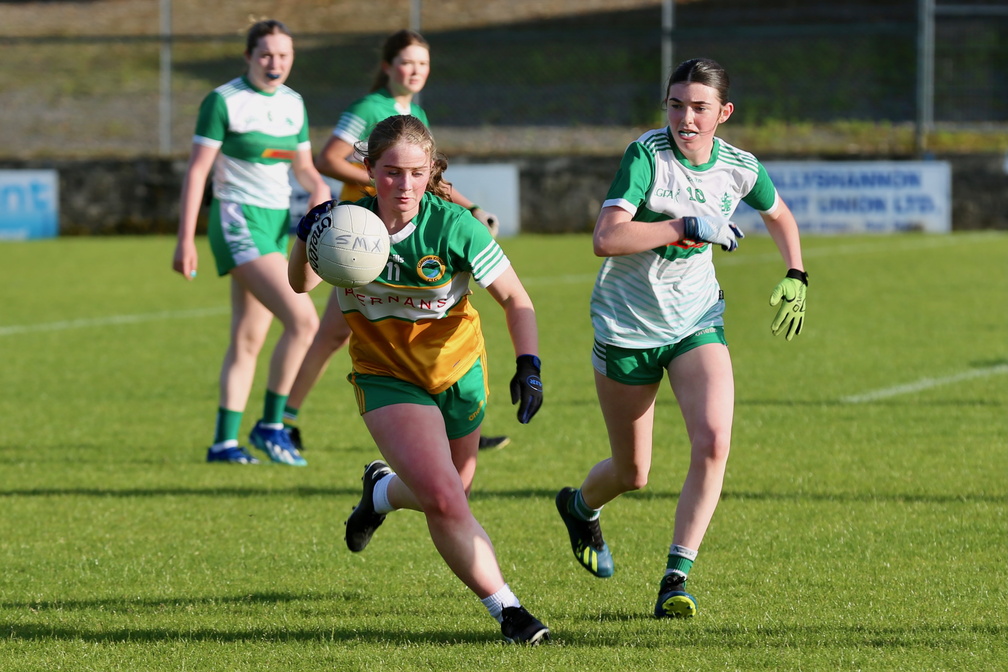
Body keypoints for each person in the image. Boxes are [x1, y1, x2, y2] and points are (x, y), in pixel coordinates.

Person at [555, 57, 808, 619]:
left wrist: (796, 273)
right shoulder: (647, 156)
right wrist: (684, 225)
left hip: (696, 320)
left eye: (698, 107)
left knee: (714, 440)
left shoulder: (740, 167)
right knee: (632, 473)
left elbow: (781, 215)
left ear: (724, 112)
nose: (685, 118)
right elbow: (606, 237)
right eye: (676, 105)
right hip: (626, 325)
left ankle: (676, 576)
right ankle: (579, 507)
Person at [288, 115, 549, 645]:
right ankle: (510, 612)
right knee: (447, 501)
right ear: (369, 170)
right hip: (386, 378)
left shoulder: (455, 226)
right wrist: (306, 234)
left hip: (458, 374)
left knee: (454, 490)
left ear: (431, 171)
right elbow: (300, 283)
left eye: (414, 173)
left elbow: (517, 300)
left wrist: (530, 364)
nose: (402, 186)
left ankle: (380, 492)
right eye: (389, 172)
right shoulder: (345, 225)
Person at [282, 29, 510, 453]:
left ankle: (454, 422)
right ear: (387, 66)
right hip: (358, 241)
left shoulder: (413, 112)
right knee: (335, 334)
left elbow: (425, 177)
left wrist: (470, 207)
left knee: (375, 328)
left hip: (392, 240)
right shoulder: (371, 107)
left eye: (423, 63)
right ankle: (283, 420)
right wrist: (379, 185)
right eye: (407, 62)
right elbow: (330, 158)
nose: (415, 70)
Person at [172, 19, 331, 466]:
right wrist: (185, 239)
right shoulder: (224, 101)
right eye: (265, 54)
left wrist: (318, 188)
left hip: (277, 226)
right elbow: (198, 172)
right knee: (302, 320)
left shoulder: (293, 103)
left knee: (248, 338)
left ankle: (223, 443)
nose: (275, 63)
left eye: (284, 55)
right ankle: (272, 426)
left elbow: (303, 166)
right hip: (237, 221)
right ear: (247, 57)